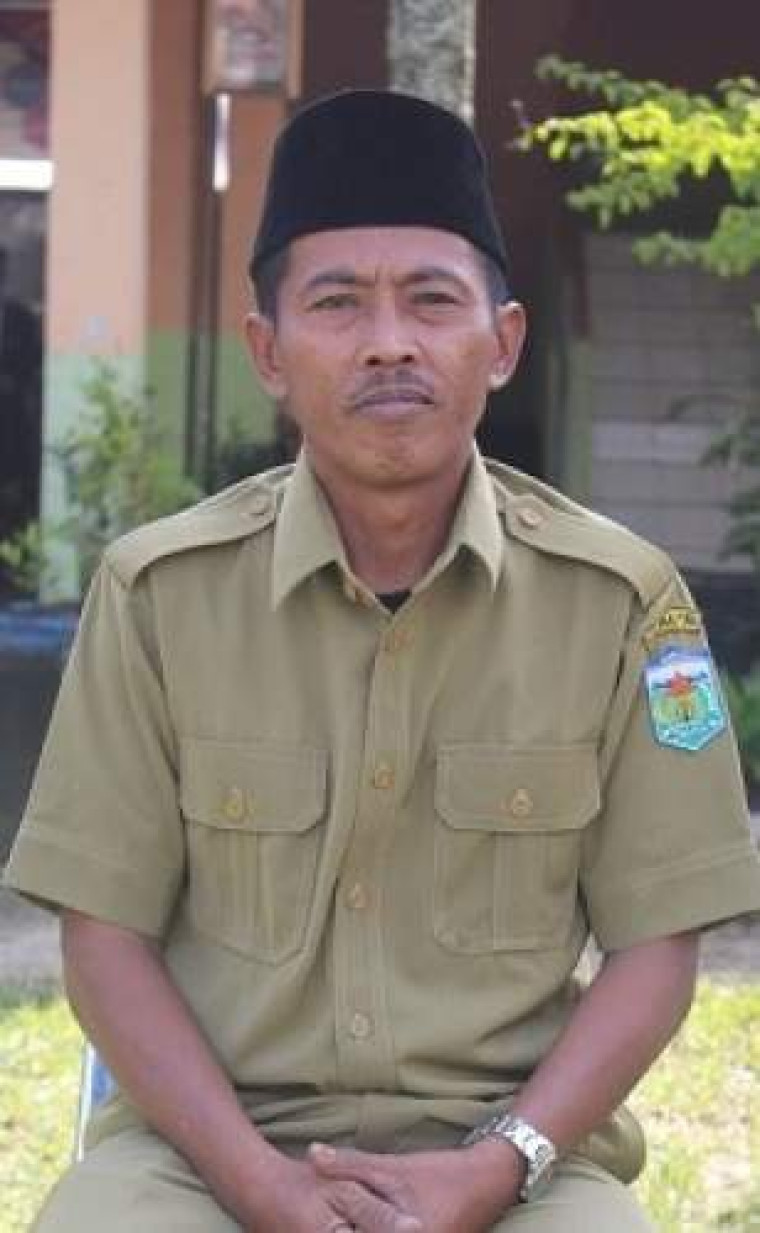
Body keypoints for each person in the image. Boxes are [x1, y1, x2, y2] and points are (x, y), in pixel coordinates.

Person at [5, 89, 760, 1233]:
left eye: (432, 299)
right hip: (205, 1156)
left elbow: (657, 946)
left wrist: (498, 1165)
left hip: (511, 1162)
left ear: (502, 343)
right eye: (337, 302)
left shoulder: (622, 604)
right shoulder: (157, 595)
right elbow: (102, 938)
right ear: (267, 350)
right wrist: (257, 1184)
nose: (389, 341)